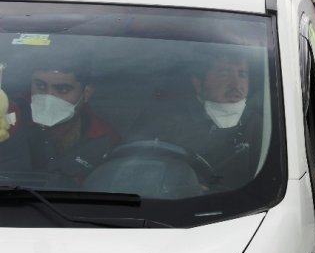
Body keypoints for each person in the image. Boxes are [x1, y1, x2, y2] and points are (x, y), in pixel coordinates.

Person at [129, 52, 260, 190]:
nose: (236, 85)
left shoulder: (262, 125)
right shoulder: (165, 121)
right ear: (198, 84)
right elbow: (133, 171)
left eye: (242, 75)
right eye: (224, 74)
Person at [1, 54, 119, 183]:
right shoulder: (7, 115)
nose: (48, 97)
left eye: (62, 89)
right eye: (40, 86)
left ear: (87, 93)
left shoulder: (102, 137)